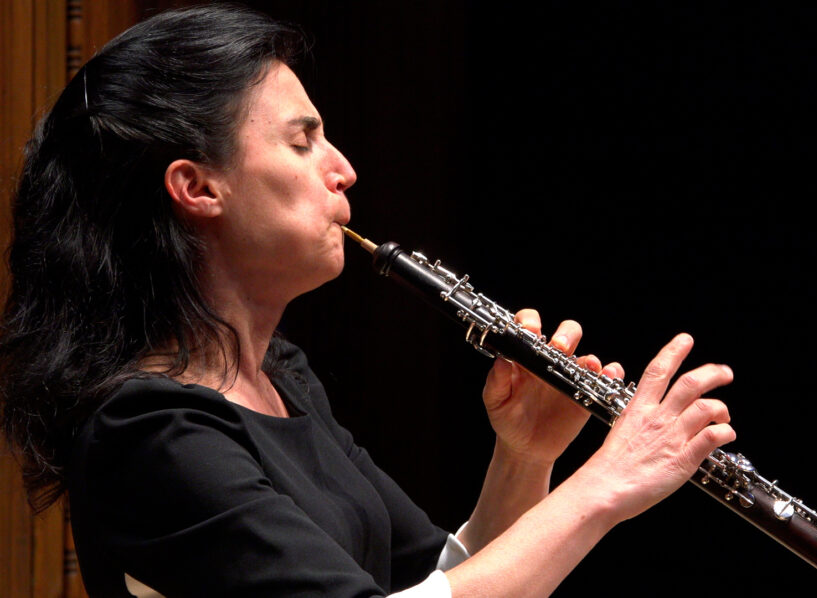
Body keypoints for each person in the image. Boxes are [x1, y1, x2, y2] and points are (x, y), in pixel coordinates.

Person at [0, 4, 735, 597]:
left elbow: (434, 583)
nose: (344, 169)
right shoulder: (149, 434)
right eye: (303, 142)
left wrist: (523, 459)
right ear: (197, 187)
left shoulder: (282, 380)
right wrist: (607, 484)